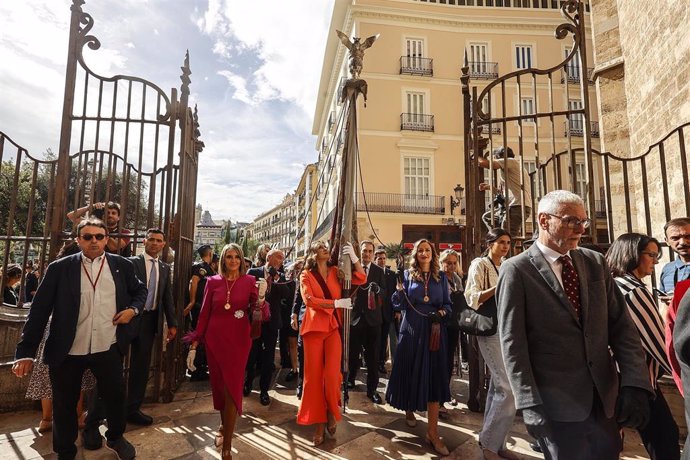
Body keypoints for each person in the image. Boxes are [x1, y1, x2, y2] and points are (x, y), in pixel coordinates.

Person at [496, 190, 653, 459]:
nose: (580, 229)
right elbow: (513, 345)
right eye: (571, 221)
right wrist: (529, 403)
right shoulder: (517, 270)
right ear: (544, 221)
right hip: (556, 406)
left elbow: (621, 327)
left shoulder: (594, 262)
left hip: (604, 400)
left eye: (584, 221)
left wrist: (635, 383)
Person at [12, 217, 146, 460]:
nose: (93, 241)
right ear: (78, 240)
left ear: (106, 239)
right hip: (68, 350)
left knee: (115, 396)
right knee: (64, 404)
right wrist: (25, 352)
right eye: (87, 236)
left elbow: (140, 291)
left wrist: (133, 310)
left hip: (108, 345)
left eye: (98, 236)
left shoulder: (122, 266)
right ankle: (65, 451)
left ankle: (115, 436)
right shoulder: (59, 268)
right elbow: (39, 311)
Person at [185, 243, 267, 460]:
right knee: (220, 388)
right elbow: (203, 315)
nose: (233, 261)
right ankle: (223, 425)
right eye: (229, 257)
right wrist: (195, 344)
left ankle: (228, 445)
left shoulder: (250, 281)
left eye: (237, 257)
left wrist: (261, 298)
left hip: (239, 340)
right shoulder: (212, 282)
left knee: (233, 388)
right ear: (222, 260)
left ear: (241, 260)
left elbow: (262, 314)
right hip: (215, 340)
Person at [606, 233, 679, 460]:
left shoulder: (610, 284)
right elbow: (659, 343)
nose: (656, 261)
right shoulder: (634, 290)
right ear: (633, 255)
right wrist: (681, 373)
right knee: (664, 438)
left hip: (612, 377)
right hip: (638, 380)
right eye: (652, 255)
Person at [386, 239, 452, 456]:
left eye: (428, 250)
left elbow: (448, 305)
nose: (424, 253)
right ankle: (409, 409)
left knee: (433, 377)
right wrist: (398, 290)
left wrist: (440, 313)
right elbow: (398, 304)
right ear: (415, 254)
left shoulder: (441, 277)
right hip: (412, 329)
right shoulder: (406, 275)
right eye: (420, 250)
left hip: (433, 331)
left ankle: (433, 432)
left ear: (433, 254)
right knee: (410, 371)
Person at [297, 240, 365, 446]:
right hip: (313, 329)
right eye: (320, 247)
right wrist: (335, 303)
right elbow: (308, 300)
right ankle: (319, 424)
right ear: (313, 252)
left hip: (333, 327)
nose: (325, 248)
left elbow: (361, 278)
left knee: (333, 375)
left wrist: (354, 258)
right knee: (314, 378)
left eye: (326, 246)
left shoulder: (337, 271)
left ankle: (331, 412)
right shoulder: (306, 275)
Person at [464, 229, 518, 460]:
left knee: (499, 387)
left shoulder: (507, 265)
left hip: (507, 329)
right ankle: (488, 445)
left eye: (508, 243)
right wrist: (501, 285)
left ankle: (497, 443)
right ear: (489, 244)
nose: (505, 246)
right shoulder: (480, 264)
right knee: (508, 388)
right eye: (501, 242)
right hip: (489, 330)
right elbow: (472, 297)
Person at [126, 228, 178, 424]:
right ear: (144, 241)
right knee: (112, 366)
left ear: (163, 244)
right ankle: (98, 415)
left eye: (159, 240)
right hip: (128, 320)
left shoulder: (164, 268)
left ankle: (133, 409)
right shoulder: (131, 263)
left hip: (150, 321)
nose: (155, 243)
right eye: (152, 239)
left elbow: (167, 297)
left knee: (141, 367)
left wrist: (172, 323)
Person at [245, 249, 291, 406]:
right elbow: (246, 292)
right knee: (252, 355)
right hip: (255, 320)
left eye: (282, 259)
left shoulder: (281, 276)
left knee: (268, 358)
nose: (280, 261)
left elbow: (286, 294)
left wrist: (277, 278)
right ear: (269, 257)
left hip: (271, 323)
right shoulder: (253, 271)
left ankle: (264, 390)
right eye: (278, 257)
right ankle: (248, 383)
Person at [347, 240, 387, 404]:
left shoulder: (378, 271)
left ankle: (372, 390)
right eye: (364, 251)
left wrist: (378, 290)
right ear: (360, 252)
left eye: (370, 251)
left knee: (373, 358)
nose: (367, 254)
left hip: (373, 320)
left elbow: (385, 293)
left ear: (373, 253)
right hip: (355, 319)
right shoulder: (351, 268)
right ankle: (350, 380)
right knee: (352, 355)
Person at [477, 146, 532, 237]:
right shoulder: (510, 170)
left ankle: (502, 242)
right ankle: (497, 238)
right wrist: (490, 187)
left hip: (517, 206)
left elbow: (486, 164)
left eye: (495, 157)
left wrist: (476, 156)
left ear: (500, 156)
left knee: (508, 235)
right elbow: (502, 193)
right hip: (512, 206)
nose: (495, 160)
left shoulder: (511, 161)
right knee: (487, 217)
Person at [438, 248, 464, 414]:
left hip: (454, 324)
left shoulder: (457, 279)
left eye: (454, 263)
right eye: (448, 263)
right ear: (442, 263)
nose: (452, 266)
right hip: (440, 324)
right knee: (440, 361)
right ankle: (438, 399)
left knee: (449, 362)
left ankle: (445, 393)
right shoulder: (437, 278)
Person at [184, 244, 214, 380]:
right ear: (210, 253)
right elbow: (194, 281)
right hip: (199, 307)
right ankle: (195, 369)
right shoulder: (201, 267)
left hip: (205, 307)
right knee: (198, 336)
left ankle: (199, 366)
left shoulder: (208, 268)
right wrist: (192, 301)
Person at [68, 201, 132, 257]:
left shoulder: (125, 232)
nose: (110, 215)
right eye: (108, 213)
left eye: (113, 213)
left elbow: (113, 247)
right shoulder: (93, 226)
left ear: (118, 217)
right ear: (103, 215)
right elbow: (71, 216)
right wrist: (90, 207)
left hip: (115, 265)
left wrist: (100, 226)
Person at [374, 248, 398, 373]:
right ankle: (375, 362)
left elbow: (395, 294)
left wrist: (397, 310)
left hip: (388, 312)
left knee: (386, 339)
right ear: (375, 260)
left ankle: (383, 362)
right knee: (376, 339)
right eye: (379, 258)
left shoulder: (392, 274)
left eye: (384, 258)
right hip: (374, 312)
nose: (382, 261)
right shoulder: (373, 273)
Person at [659, 217, 690, 301]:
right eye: (675, 238)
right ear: (667, 241)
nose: (683, 242)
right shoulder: (667, 269)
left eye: (688, 236)